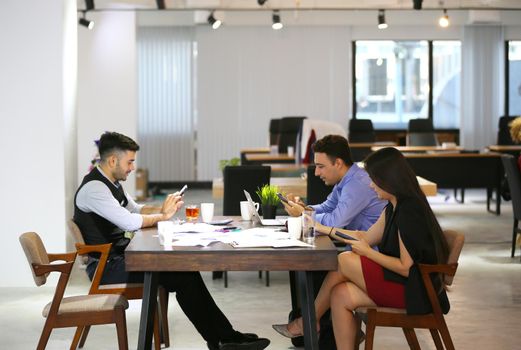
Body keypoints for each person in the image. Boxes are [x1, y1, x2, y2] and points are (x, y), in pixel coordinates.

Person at [74, 131, 270, 350]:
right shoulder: (95, 189)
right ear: (112, 160)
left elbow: (136, 209)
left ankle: (224, 337)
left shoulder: (112, 184)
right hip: (107, 268)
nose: (132, 168)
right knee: (183, 275)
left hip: (119, 260)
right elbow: (130, 222)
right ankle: (224, 338)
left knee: (186, 273)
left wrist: (163, 207)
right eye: (129, 162)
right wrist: (163, 216)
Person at [272, 147, 450, 350]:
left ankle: (309, 321)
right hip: (403, 284)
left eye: (374, 179)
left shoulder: (409, 211)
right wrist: (321, 227)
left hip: (415, 292)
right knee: (340, 294)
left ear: (388, 179)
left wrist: (368, 253)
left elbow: (405, 267)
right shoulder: (393, 205)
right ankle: (311, 321)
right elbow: (363, 236)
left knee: (345, 259)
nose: (371, 185)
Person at [283, 134, 385, 231]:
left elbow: (335, 223)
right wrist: (305, 209)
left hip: (367, 247)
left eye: (321, 166)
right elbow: (328, 207)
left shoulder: (357, 184)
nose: (316, 173)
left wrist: (303, 215)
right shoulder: (346, 179)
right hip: (355, 246)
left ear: (338, 163)